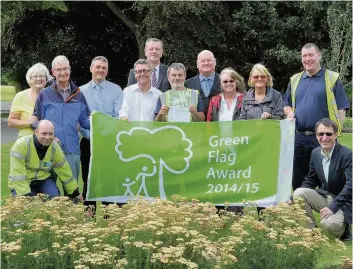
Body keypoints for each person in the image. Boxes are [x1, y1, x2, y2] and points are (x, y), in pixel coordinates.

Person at [283, 43, 349, 190]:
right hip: (298, 138)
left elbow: (342, 107)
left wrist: (334, 134)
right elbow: (286, 104)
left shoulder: (332, 78)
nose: (307, 59)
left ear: (319, 55)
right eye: (304, 56)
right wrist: (289, 113)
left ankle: (330, 211)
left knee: (327, 182)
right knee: (298, 183)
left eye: (311, 55)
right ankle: (301, 212)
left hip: (321, 138)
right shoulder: (295, 80)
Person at [32, 55, 90, 191]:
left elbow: (85, 122)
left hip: (72, 150)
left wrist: (100, 121)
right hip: (49, 150)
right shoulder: (44, 94)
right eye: (58, 70)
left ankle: (72, 213)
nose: (62, 72)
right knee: (47, 191)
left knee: (72, 190)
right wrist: (48, 136)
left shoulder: (79, 95)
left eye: (65, 69)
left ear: (70, 70)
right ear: (53, 72)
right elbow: (35, 121)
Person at [292, 118, 352, 240]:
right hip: (327, 196)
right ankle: (311, 232)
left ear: (335, 135)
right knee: (298, 192)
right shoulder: (315, 153)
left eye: (328, 134)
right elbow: (311, 180)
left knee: (328, 224)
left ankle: (344, 229)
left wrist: (333, 207)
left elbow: (350, 186)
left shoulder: (347, 155)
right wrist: (291, 198)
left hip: (345, 202)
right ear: (316, 135)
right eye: (320, 134)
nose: (324, 138)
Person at [80, 56, 123, 206]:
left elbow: (116, 117)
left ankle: (107, 218)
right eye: (97, 67)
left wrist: (96, 121)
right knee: (89, 179)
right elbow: (81, 119)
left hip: (109, 143)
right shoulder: (81, 91)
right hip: (88, 142)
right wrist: (91, 132)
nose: (100, 70)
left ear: (107, 71)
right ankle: (89, 219)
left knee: (109, 180)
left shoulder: (116, 90)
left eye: (104, 68)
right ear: (91, 68)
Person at [8, 120, 82, 200]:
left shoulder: (55, 148)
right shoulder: (21, 145)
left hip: (44, 180)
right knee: (27, 207)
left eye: (51, 134)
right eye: (44, 133)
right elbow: (18, 174)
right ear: (36, 132)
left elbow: (65, 172)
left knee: (55, 199)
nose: (47, 137)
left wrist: (75, 193)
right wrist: (26, 197)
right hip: (23, 182)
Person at [8, 63, 51, 138]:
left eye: (42, 76)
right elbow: (10, 122)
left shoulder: (52, 96)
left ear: (46, 79)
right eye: (35, 76)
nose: (38, 79)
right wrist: (28, 122)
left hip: (49, 140)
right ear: (29, 79)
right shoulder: (20, 96)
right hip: (26, 142)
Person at [185, 50, 221, 118]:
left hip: (220, 125)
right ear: (197, 64)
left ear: (215, 62)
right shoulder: (187, 84)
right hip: (196, 126)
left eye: (209, 60)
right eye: (202, 61)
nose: (206, 63)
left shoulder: (225, 81)